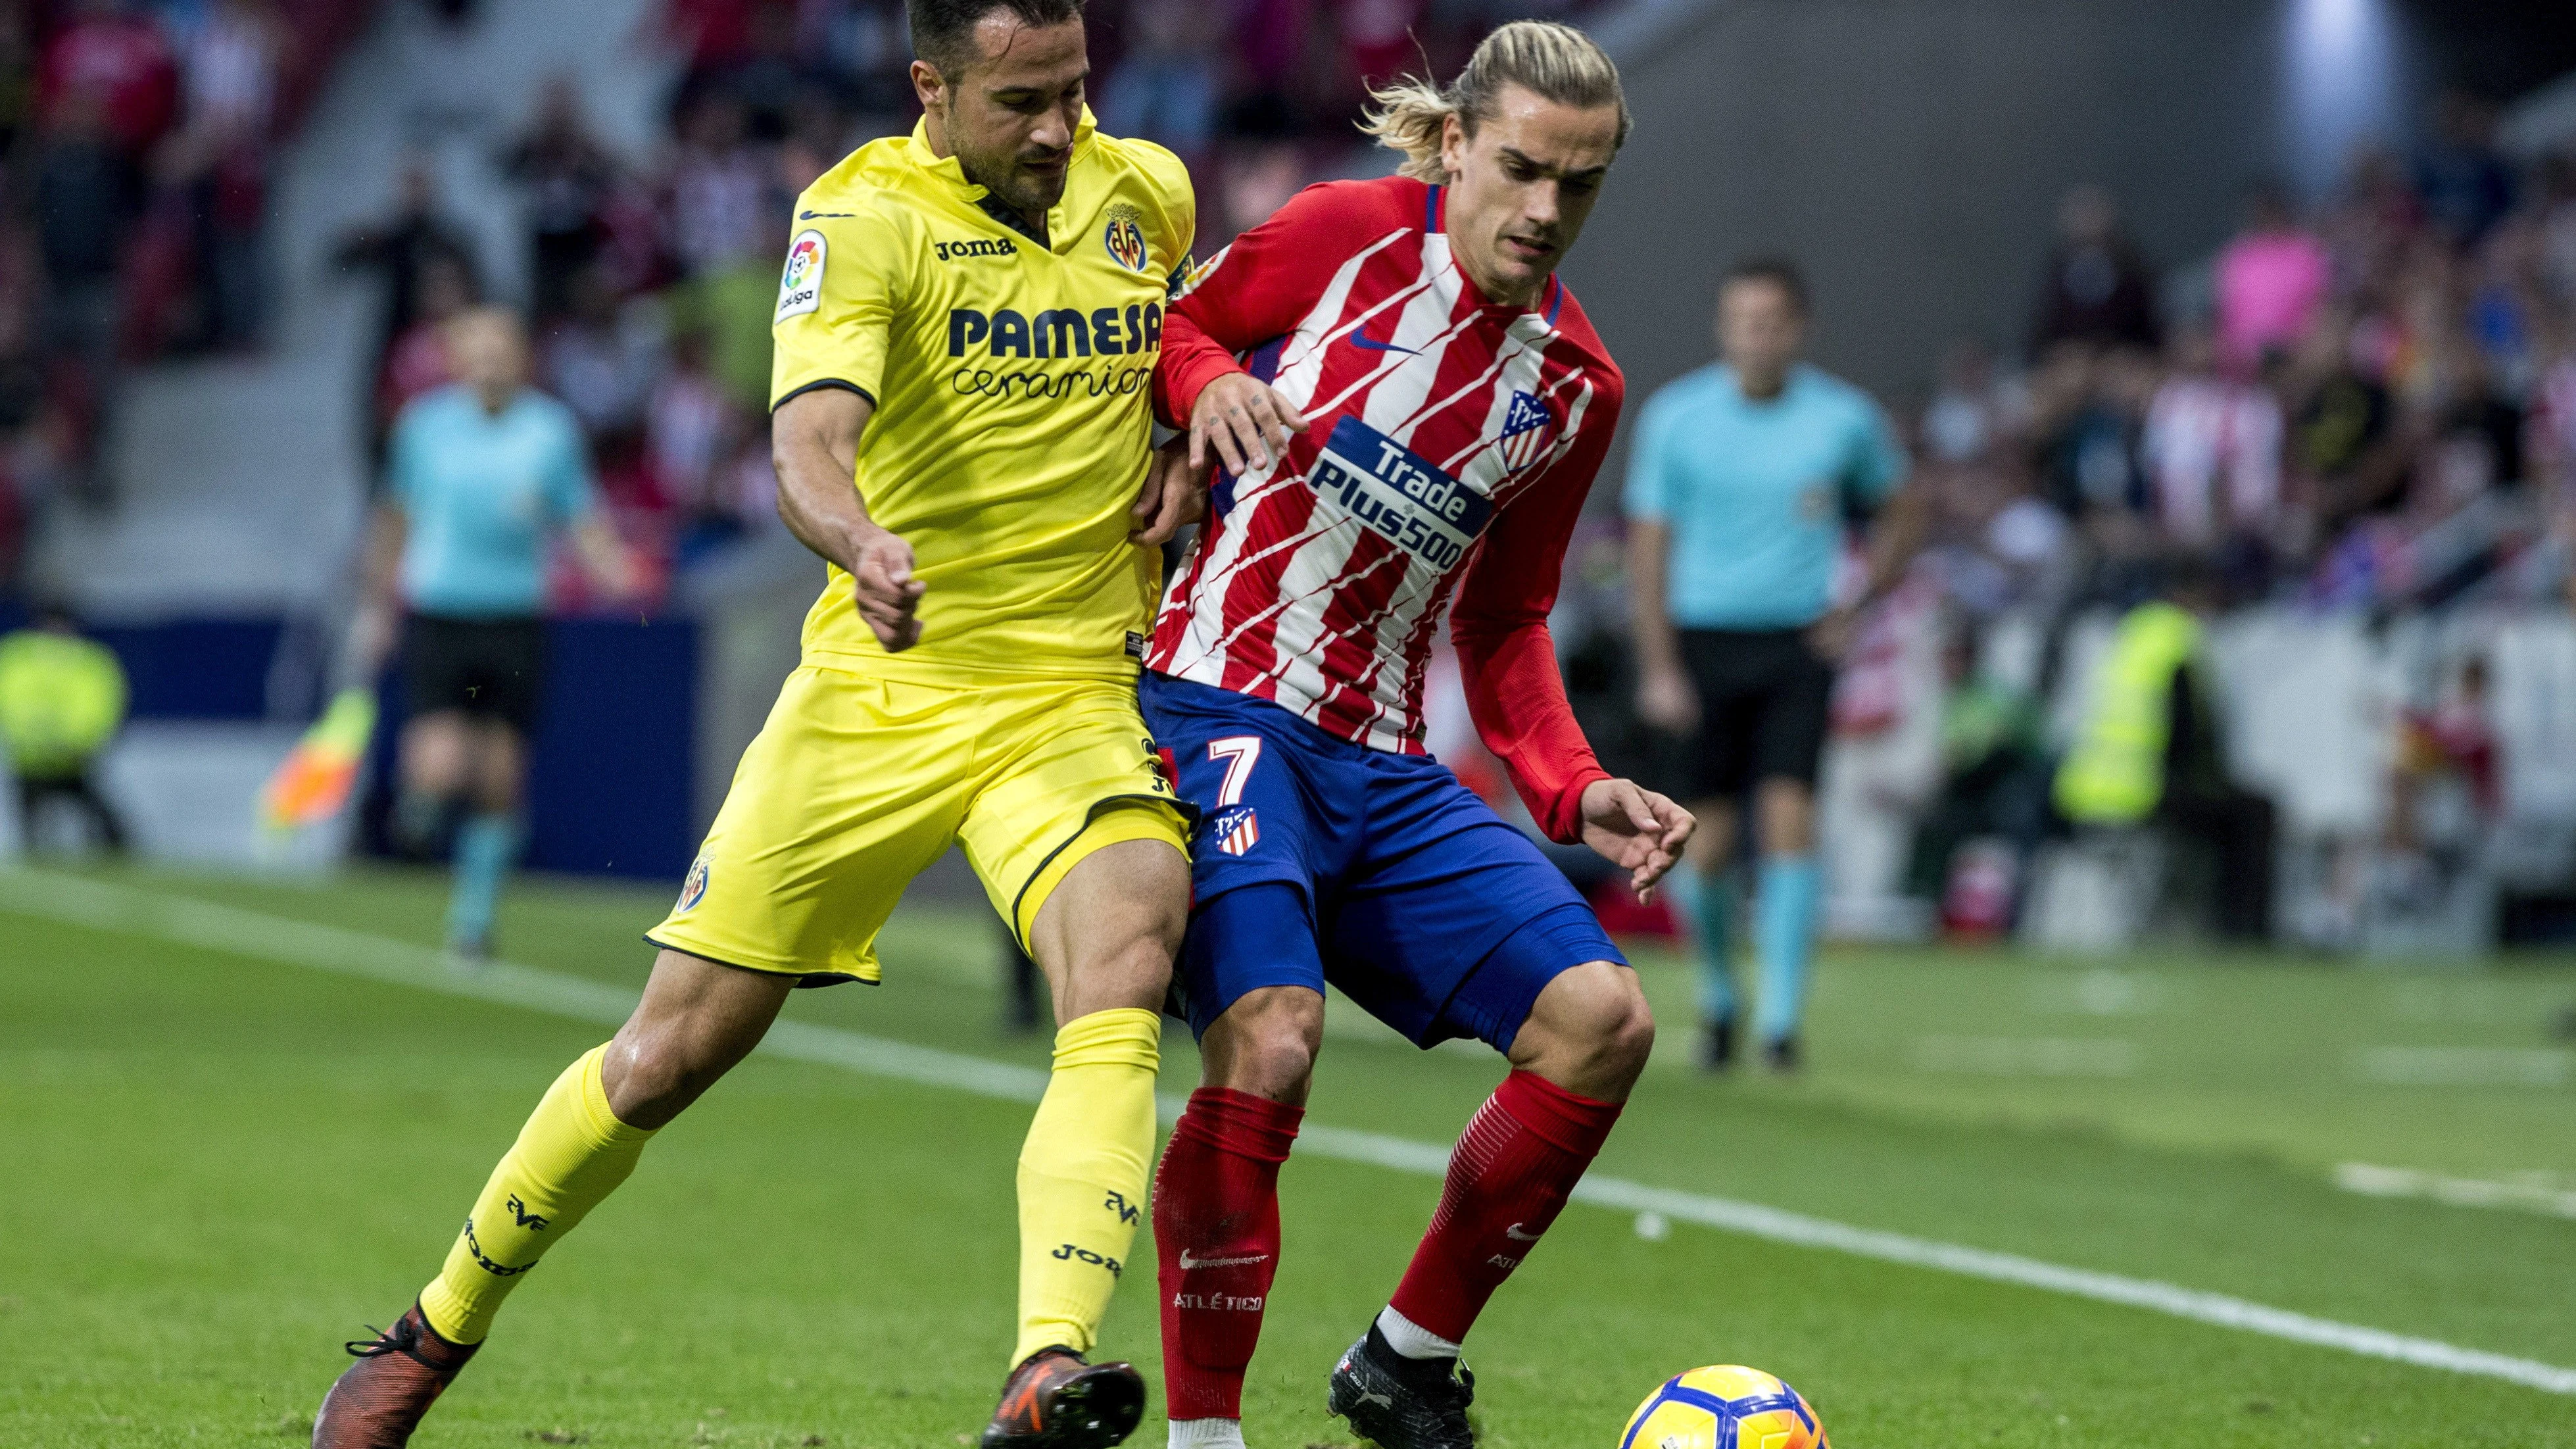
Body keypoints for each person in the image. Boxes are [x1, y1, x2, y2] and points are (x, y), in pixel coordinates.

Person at [311, 0, 1203, 1442]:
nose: (1057, 130)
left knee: (1123, 960)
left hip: (1070, 690)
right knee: (663, 1057)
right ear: (931, 86)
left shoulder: (1144, 189)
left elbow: (1190, 345)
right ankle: (435, 1327)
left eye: (1075, 91)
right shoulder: (857, 218)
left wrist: (1181, 435)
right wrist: (859, 542)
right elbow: (806, 440)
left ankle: (1047, 1368)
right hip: (878, 692)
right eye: (1020, 101)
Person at [1140, 24, 1690, 1449]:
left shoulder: (1576, 388)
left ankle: (1402, 1359)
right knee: (1268, 1038)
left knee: (1600, 1023)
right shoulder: (1340, 238)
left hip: (1379, 762)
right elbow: (1177, 325)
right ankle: (1204, 1438)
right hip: (1214, 708)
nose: (1541, 211)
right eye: (1517, 168)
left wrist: (1574, 789)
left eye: (1577, 186)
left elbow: (1503, 622)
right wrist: (1202, 385)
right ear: (1454, 143)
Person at [1626, 256, 1922, 1072]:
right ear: (1723, 327)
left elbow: (1902, 507)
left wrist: (1859, 607)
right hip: (1703, 640)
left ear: (1798, 329)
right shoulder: (1677, 418)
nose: (1756, 336)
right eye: (1742, 320)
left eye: (1771, 321)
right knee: (1707, 844)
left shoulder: (1841, 420)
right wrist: (1657, 666)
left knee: (1791, 820)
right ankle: (1722, 994)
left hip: (1796, 643)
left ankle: (1782, 1022)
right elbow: (1648, 547)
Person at [361, 307, 634, 960]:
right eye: (475, 350)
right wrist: (376, 606)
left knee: (501, 779)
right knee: (439, 762)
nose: (488, 362)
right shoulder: (425, 427)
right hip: (441, 611)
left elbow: (581, 516)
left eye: (501, 349)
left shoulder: (549, 430)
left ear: (522, 357)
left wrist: (614, 570)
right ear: (455, 359)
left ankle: (472, 922)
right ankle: (416, 816)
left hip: (515, 617)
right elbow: (394, 519)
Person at [2053, 564, 2275, 942]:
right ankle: (2240, 933)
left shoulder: (2130, 633)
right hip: (2144, 789)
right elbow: (2188, 733)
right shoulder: (2180, 640)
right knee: (2255, 814)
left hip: (2086, 787)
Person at [0, 604, 130, 855]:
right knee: (34, 835)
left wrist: (77, 740)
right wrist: (34, 736)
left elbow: (101, 704)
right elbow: (10, 700)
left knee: (110, 831)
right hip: (30, 763)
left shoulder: (90, 661)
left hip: (75, 762)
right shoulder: (16, 657)